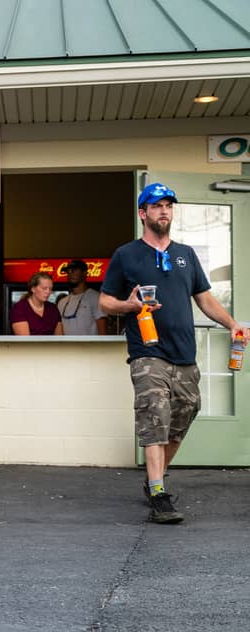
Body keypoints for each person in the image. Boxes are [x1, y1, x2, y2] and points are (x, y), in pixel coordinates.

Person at [100, 182, 247, 524]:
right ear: (143, 213)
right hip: (147, 352)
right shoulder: (127, 255)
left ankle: (156, 477)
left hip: (185, 354)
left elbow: (205, 298)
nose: (164, 211)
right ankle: (158, 492)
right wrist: (130, 304)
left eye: (168, 205)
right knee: (155, 416)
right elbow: (106, 301)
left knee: (184, 413)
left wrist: (231, 323)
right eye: (156, 205)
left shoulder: (186, 254)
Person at [57, 260, 107, 335]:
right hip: (67, 347)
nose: (71, 273)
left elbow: (102, 333)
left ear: (84, 273)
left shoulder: (95, 297)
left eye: (74, 270)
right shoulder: (62, 302)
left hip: (90, 346)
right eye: (68, 271)